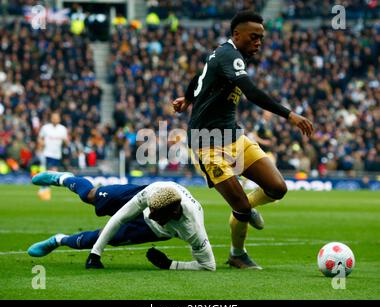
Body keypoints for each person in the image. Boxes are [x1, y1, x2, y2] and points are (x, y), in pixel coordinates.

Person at [172, 10, 314, 269]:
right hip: (206, 141)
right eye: (253, 37)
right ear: (237, 35)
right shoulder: (230, 55)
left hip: (234, 137)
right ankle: (237, 253)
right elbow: (250, 92)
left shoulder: (222, 53)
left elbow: (200, 76)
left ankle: (246, 210)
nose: (258, 42)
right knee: (239, 205)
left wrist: (187, 98)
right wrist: (289, 115)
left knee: (278, 188)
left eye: (261, 38)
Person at [28, 171, 216, 271]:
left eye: (156, 214)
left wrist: (170, 265)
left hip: (152, 232)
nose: (150, 214)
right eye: (151, 210)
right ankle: (62, 178)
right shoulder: (152, 193)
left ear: (174, 212)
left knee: (99, 237)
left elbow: (208, 266)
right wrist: (96, 255)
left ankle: (58, 240)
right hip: (137, 195)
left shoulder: (193, 231)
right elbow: (120, 217)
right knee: (91, 195)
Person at [36, 112, 69, 201]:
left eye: (56, 118)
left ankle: (44, 189)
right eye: (53, 117)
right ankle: (44, 190)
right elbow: (39, 138)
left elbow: (66, 141)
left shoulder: (63, 129)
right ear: (51, 118)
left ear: (59, 119)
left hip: (57, 154)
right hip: (47, 153)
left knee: (53, 171)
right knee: (50, 170)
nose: (55, 119)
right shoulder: (45, 128)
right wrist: (41, 143)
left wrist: (66, 142)